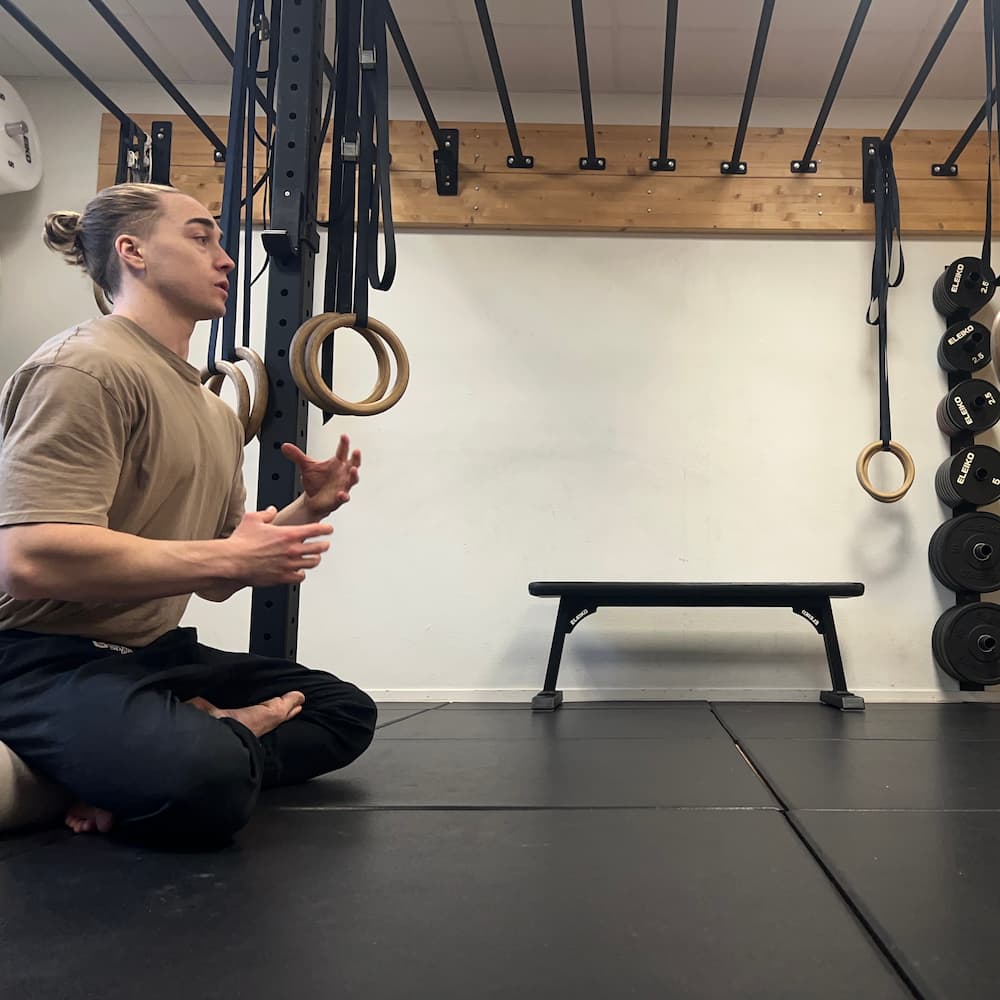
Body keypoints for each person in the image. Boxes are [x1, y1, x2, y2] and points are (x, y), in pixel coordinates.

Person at [0, 182, 377, 846]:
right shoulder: (85, 369)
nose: (225, 258)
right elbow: (29, 561)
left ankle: (153, 757)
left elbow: (217, 577)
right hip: (39, 653)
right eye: (201, 238)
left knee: (343, 711)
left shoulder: (214, 412)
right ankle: (208, 745)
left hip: (149, 654)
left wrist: (307, 508)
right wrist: (232, 556)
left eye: (220, 242)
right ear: (133, 251)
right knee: (206, 779)